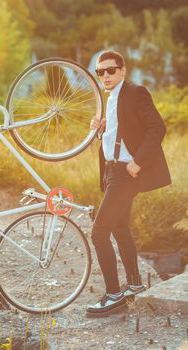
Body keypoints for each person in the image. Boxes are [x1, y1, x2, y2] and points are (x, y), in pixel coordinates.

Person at [86, 50, 171, 318]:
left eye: (111, 70)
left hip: (125, 173)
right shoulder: (113, 98)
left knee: (99, 233)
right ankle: (134, 283)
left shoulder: (135, 92)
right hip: (112, 172)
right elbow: (122, 131)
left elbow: (157, 127)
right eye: (101, 72)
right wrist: (102, 129)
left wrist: (138, 161)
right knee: (120, 228)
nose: (106, 76)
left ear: (123, 70)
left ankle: (114, 296)